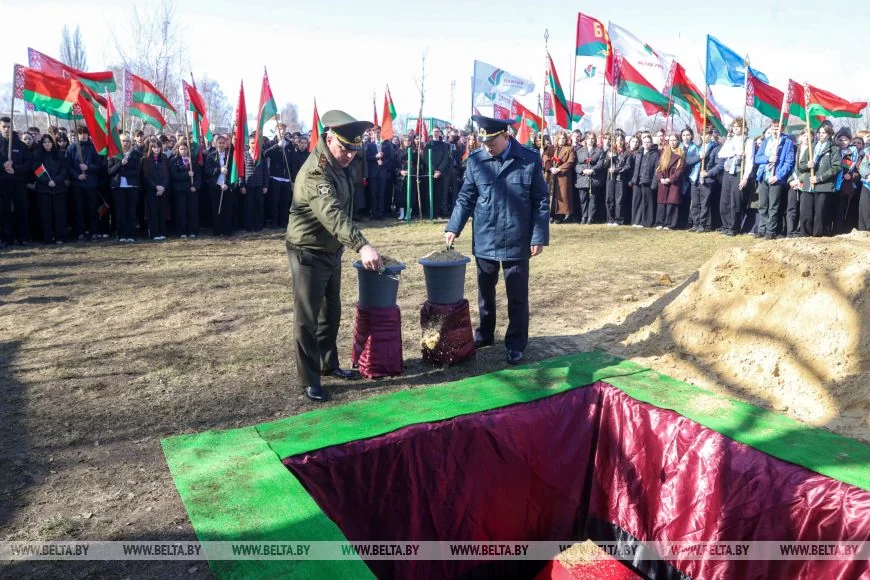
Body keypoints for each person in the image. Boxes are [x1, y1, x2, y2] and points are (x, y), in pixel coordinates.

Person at [285, 110, 383, 402]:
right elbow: (332, 215)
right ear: (329, 139)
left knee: (331, 311)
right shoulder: (317, 172)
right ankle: (309, 378)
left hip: (330, 249)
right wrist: (361, 244)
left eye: (354, 150)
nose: (349, 155)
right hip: (309, 251)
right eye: (344, 148)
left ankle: (328, 364)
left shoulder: (339, 164)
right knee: (307, 317)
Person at [445, 114, 549, 366]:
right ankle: (485, 333)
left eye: (492, 142)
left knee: (517, 295)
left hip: (517, 238)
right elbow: (466, 197)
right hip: (485, 237)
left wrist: (538, 236)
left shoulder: (529, 159)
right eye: (484, 142)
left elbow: (541, 201)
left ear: (506, 136)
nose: (487, 147)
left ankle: (515, 343)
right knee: (485, 292)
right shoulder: (476, 160)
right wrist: (454, 227)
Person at [754, 121, 796, 239]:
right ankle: (762, 228)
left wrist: (777, 176)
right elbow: (758, 158)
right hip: (764, 176)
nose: (775, 130)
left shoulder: (787, 142)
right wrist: (768, 158)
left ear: (782, 129)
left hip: (776, 178)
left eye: (777, 127)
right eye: (773, 127)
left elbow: (789, 162)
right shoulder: (766, 141)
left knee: (773, 206)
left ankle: (771, 230)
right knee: (763, 205)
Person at [797, 125, 839, 237]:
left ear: (829, 135)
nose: (821, 135)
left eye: (824, 133)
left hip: (823, 185)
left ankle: (817, 235)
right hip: (808, 185)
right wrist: (807, 165)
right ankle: (805, 234)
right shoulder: (811, 147)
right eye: (819, 132)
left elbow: (836, 168)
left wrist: (819, 178)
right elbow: (800, 166)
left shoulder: (834, 149)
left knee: (820, 213)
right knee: (805, 212)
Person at [1, 117, 33, 246]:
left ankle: (23, 237)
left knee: (22, 209)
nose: (7, 129)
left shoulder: (21, 145)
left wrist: (15, 169)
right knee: (4, 211)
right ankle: (6, 238)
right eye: (4, 126)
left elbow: (28, 163)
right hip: (2, 183)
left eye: (9, 126)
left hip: (18, 181)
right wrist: (3, 166)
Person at [66, 126, 102, 241]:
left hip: (91, 184)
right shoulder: (72, 147)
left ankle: (94, 232)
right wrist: (77, 176)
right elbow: (68, 166)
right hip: (77, 184)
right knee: (79, 209)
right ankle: (80, 232)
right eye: (80, 133)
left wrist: (88, 167)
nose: (83, 135)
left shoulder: (94, 147)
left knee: (92, 209)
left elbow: (99, 166)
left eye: (85, 133)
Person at [686, 127, 723, 233]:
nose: (704, 136)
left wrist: (708, 173)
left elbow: (719, 165)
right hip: (695, 178)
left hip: (707, 180)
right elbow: (688, 160)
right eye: (702, 134)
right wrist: (699, 157)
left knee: (704, 203)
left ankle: (703, 224)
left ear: (711, 135)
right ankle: (695, 224)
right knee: (695, 203)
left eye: (706, 134)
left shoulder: (716, 148)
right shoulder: (696, 147)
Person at [107, 132, 143, 243]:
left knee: (131, 211)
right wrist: (120, 164)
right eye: (123, 141)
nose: (125, 143)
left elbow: (137, 171)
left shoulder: (136, 154)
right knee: (120, 211)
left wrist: (124, 172)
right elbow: (109, 171)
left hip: (132, 186)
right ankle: (121, 234)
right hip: (118, 187)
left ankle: (131, 234)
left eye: (127, 141)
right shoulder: (114, 154)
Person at [32, 134, 68, 244]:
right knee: (45, 214)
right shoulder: (37, 155)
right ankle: (47, 237)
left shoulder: (59, 154)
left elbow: (64, 169)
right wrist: (47, 181)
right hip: (43, 189)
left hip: (58, 188)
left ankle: (60, 236)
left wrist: (56, 181)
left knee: (59, 213)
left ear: (52, 143)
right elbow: (37, 171)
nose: (47, 144)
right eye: (44, 142)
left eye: (49, 142)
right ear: (41, 144)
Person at [264, 123, 294, 229]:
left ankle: (283, 222)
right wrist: (277, 146)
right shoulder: (271, 143)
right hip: (275, 177)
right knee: (274, 201)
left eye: (283, 129)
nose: (282, 131)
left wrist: (292, 179)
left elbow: (292, 162)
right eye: (279, 129)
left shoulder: (290, 144)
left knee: (285, 202)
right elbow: (265, 154)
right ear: (275, 131)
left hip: (286, 178)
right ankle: (274, 222)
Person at [169, 141, 202, 238]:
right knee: (181, 211)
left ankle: (193, 230)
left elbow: (199, 176)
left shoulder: (193, 161)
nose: (183, 151)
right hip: (180, 190)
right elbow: (174, 175)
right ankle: (181, 231)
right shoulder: (174, 161)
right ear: (178, 150)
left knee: (192, 211)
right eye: (181, 149)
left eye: (185, 149)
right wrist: (187, 174)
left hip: (192, 190)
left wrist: (195, 186)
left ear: (188, 149)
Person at [654, 134, 686, 230]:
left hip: (673, 183)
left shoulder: (681, 154)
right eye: (670, 140)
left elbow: (680, 170)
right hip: (663, 181)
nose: (672, 142)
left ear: (678, 141)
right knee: (662, 203)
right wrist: (661, 178)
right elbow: (658, 168)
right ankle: (660, 222)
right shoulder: (664, 153)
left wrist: (670, 179)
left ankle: (669, 224)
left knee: (671, 203)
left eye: (674, 140)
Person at [141, 139, 170, 240]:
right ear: (150, 148)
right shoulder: (146, 159)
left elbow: (167, 175)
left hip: (163, 189)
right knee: (153, 211)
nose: (156, 149)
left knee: (162, 211)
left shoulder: (164, 158)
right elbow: (146, 176)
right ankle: (154, 233)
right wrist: (155, 186)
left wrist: (163, 186)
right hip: (151, 190)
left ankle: (162, 232)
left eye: (158, 147)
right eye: (154, 147)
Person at [205, 135, 233, 236]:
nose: (221, 145)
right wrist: (219, 170)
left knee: (227, 209)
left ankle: (226, 230)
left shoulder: (229, 156)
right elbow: (208, 171)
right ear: (216, 144)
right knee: (216, 209)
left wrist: (227, 184)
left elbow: (233, 173)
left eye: (223, 143)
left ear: (225, 144)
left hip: (226, 186)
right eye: (219, 143)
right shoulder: (211, 156)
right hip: (216, 186)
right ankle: (217, 230)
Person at [574, 131, 604, 224]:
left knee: (593, 199)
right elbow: (576, 164)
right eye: (589, 138)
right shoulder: (579, 151)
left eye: (592, 139)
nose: (591, 140)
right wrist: (582, 171)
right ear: (585, 140)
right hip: (582, 178)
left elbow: (600, 163)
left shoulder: (599, 151)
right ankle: (584, 216)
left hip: (594, 178)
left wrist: (593, 170)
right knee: (583, 199)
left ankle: (590, 217)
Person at [241, 135, 269, 231]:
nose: (254, 145)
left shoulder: (261, 155)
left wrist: (265, 185)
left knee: (259, 206)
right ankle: (248, 226)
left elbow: (266, 171)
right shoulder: (244, 155)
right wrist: (242, 185)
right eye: (252, 143)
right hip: (248, 185)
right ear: (249, 144)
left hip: (259, 185)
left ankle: (258, 226)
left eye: (255, 143)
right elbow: (241, 171)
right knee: (249, 206)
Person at [630, 133, 659, 227]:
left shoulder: (655, 154)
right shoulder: (639, 153)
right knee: (637, 202)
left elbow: (656, 170)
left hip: (648, 182)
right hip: (637, 182)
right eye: (645, 142)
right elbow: (634, 167)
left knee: (647, 203)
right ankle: (636, 221)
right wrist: (633, 180)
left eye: (648, 142)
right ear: (642, 143)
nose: (646, 144)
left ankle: (646, 222)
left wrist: (654, 184)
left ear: (651, 143)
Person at [548, 132, 576, 223]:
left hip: (563, 176)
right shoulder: (552, 148)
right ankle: (551, 214)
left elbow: (570, 161)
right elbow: (545, 157)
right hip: (552, 176)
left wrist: (559, 169)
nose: (562, 140)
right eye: (560, 138)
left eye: (563, 138)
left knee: (563, 196)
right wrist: (550, 168)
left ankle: (560, 216)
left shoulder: (569, 149)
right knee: (552, 195)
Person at [425, 126, 453, 217]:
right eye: (434, 131)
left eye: (437, 131)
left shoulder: (444, 145)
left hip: (442, 173)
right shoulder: (428, 145)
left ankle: (440, 213)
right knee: (430, 193)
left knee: (441, 194)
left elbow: (446, 158)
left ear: (440, 133)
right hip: (431, 173)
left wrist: (439, 170)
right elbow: (426, 159)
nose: (436, 133)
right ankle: (431, 213)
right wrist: (433, 170)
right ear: (431, 133)